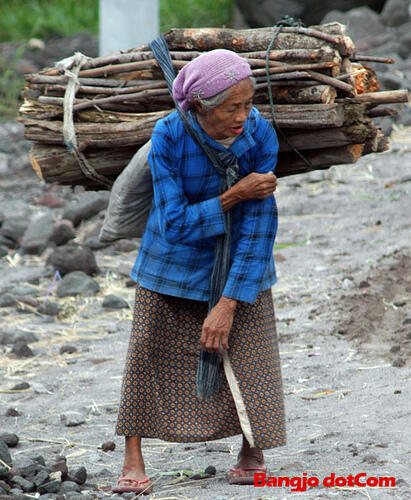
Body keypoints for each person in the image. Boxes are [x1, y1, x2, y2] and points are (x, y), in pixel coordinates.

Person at [113, 49, 286, 495]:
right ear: (202, 108)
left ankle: (253, 449)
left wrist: (228, 302)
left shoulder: (260, 136)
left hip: (240, 258)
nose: (244, 117)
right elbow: (174, 224)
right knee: (146, 356)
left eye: (249, 104)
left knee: (251, 351)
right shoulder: (169, 135)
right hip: (170, 258)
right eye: (233, 107)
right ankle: (133, 458)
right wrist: (233, 195)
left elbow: (259, 227)